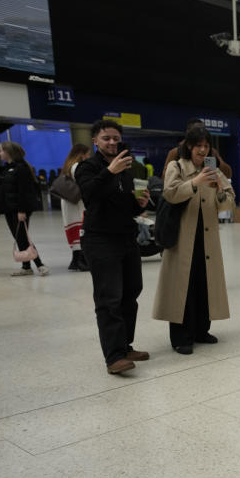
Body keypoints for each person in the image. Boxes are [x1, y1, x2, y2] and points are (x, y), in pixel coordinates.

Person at [75, 119, 151, 375]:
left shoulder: (126, 169)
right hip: (100, 239)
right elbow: (89, 194)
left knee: (131, 292)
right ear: (95, 141)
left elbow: (126, 206)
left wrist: (140, 204)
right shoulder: (87, 167)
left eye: (115, 139)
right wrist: (110, 171)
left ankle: (125, 345)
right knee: (109, 298)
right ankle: (114, 356)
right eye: (106, 138)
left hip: (126, 238)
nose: (111, 142)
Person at [154, 126, 232, 354]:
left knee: (204, 284)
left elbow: (228, 201)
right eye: (198, 145)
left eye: (206, 145)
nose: (202, 149)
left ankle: (201, 330)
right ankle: (180, 336)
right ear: (189, 146)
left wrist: (219, 190)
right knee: (182, 286)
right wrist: (195, 182)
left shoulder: (214, 171)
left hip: (207, 237)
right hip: (181, 237)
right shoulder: (176, 166)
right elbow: (170, 193)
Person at [0, 142, 49, 276]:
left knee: (23, 237)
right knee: (19, 237)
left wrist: (22, 210)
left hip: (18, 209)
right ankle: (26, 266)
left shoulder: (21, 168)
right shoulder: (5, 169)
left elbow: (24, 191)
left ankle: (39, 265)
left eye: (1, 151)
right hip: (9, 209)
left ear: (9, 152)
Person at [57, 144, 91, 271]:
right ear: (81, 154)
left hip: (68, 200)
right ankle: (82, 261)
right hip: (77, 202)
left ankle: (76, 260)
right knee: (80, 229)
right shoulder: (77, 166)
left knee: (74, 228)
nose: (88, 157)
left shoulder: (68, 166)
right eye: (87, 154)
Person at [163, 118, 233, 179]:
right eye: (198, 145)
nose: (202, 150)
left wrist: (217, 162)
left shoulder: (210, 151)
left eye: (203, 131)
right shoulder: (177, 152)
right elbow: (166, 179)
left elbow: (227, 175)